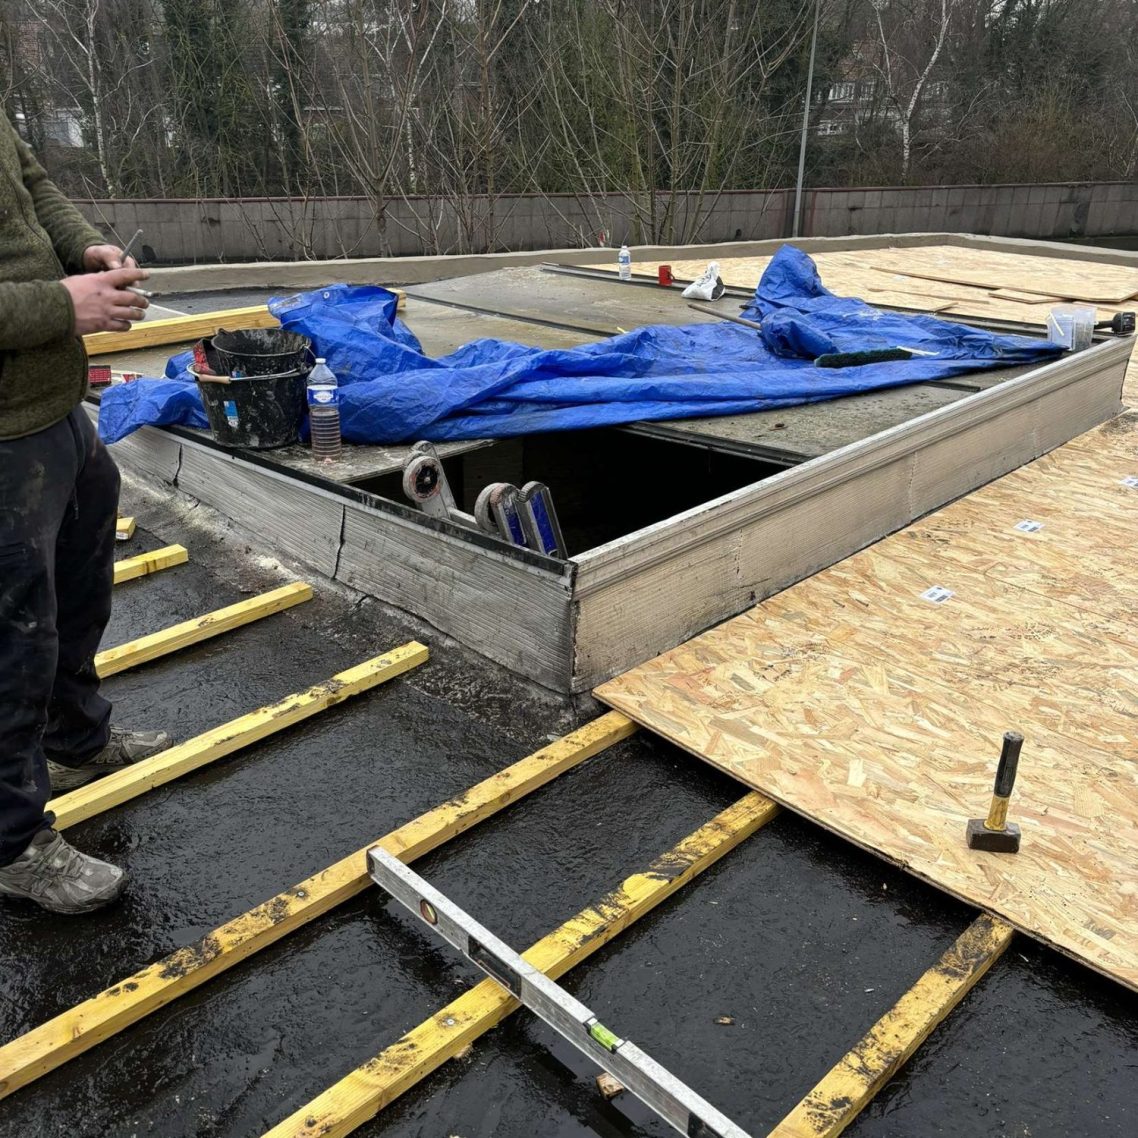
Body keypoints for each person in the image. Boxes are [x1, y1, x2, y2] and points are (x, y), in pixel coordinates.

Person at [0, 113, 171, 914]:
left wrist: (87, 248)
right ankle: (12, 844)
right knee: (12, 641)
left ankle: (74, 740)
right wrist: (58, 306)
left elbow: (31, 184)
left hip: (51, 407)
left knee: (77, 586)